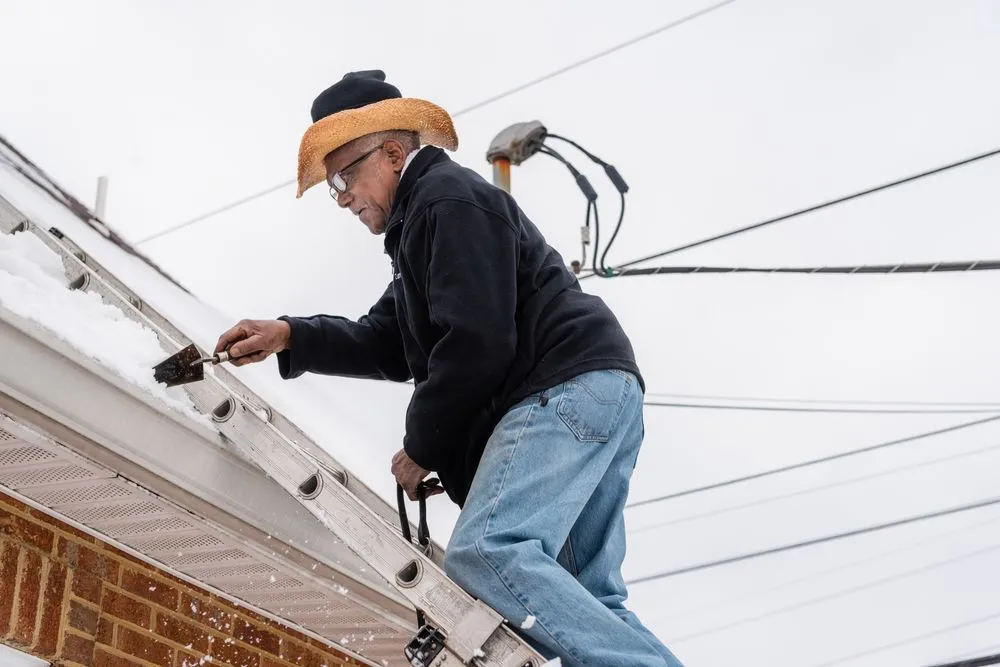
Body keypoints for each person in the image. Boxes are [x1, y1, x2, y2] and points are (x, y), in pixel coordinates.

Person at [214, 69, 683, 667]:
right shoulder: (423, 224)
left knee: (488, 551)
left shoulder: (447, 203)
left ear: (390, 151)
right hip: (596, 390)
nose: (342, 198)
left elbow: (477, 343)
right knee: (585, 596)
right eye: (333, 185)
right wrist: (292, 337)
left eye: (345, 176)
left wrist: (423, 446)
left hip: (564, 388)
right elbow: (387, 342)